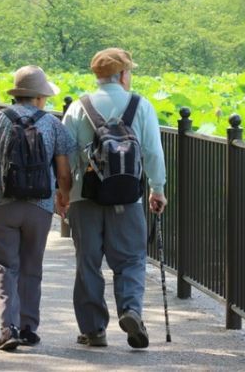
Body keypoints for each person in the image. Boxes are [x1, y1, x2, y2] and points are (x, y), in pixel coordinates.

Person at [61, 48, 167, 349]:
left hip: (86, 197)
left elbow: (65, 156)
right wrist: (157, 189)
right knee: (131, 259)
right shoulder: (140, 105)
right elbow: (153, 152)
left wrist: (64, 193)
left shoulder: (78, 108)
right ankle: (131, 310)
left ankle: (94, 330)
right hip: (128, 197)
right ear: (122, 74)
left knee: (88, 263)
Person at [0, 65, 75, 351]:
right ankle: (28, 328)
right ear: (40, 97)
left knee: (5, 266)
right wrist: (63, 198)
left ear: (18, 94)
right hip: (39, 206)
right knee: (31, 266)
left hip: (0, 204)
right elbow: (64, 172)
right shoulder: (53, 124)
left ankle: (8, 328)